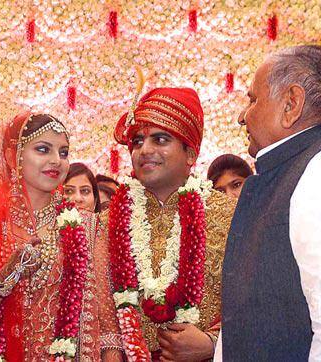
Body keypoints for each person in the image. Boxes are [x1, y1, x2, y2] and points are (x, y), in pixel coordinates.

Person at [0, 112, 123, 361]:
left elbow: (110, 330)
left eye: (63, 152)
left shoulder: (89, 228)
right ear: (11, 156)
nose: (56, 161)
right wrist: (5, 277)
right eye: (43, 149)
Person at [109, 87, 236, 361]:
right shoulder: (106, 221)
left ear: (190, 154)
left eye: (160, 139)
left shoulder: (232, 216)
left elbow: (259, 300)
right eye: (138, 141)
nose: (145, 150)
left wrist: (213, 343)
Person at [218, 45, 321, 361]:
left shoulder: (315, 172)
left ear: (291, 104)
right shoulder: (283, 173)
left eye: (252, 100)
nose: (241, 116)